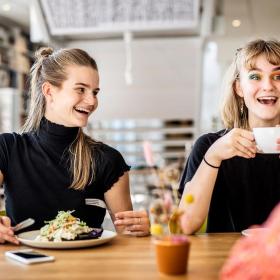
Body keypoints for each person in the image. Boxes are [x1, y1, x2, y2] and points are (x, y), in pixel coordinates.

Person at [0, 47, 150, 244]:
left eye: (95, 92)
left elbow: (129, 238)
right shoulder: (8, 148)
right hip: (24, 269)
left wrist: (141, 229)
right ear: (49, 91)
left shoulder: (108, 160)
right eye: (81, 89)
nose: (91, 101)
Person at [179, 39, 280, 234]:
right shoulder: (209, 145)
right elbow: (184, 226)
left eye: (278, 76)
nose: (268, 86)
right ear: (239, 88)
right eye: (255, 76)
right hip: (226, 261)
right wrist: (213, 156)